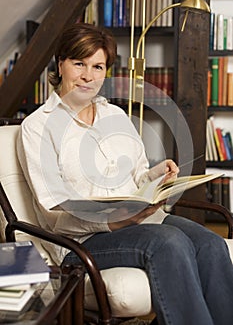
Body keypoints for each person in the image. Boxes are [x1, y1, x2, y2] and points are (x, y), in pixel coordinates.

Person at [17, 22, 233, 325]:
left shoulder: (115, 115)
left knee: (211, 244)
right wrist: (113, 221)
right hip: (82, 240)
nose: (88, 76)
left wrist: (157, 177)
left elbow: (137, 177)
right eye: (79, 63)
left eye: (98, 66)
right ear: (61, 64)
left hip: (142, 220)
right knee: (169, 242)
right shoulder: (37, 128)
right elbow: (52, 213)